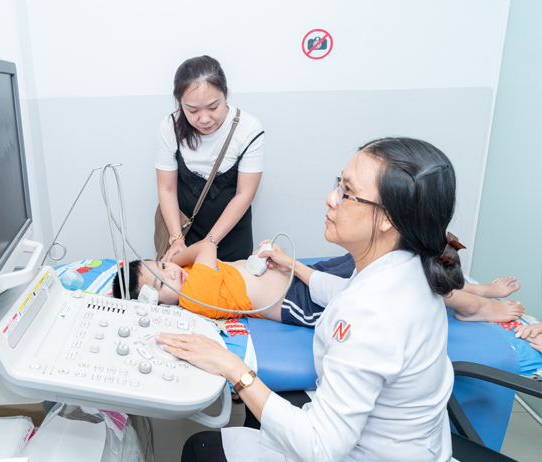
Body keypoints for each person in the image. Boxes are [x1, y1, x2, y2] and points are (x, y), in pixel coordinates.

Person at [155, 137, 465, 462]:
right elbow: (344, 292)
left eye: (347, 192)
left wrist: (232, 366)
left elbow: (320, 448)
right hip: (410, 442)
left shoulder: (370, 313)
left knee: (200, 448)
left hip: (361, 453)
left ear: (389, 219)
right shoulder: (406, 265)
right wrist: (293, 265)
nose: (331, 198)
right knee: (263, 412)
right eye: (338, 184)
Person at [112, 249, 524, 324]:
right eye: (161, 282)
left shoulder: (187, 277)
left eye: (163, 265)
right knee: (388, 286)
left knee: (383, 260)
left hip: (302, 272)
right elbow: (206, 245)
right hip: (299, 300)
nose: (172, 272)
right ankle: (471, 304)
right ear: (153, 302)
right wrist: (181, 253)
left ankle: (472, 289)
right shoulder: (193, 294)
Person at [156, 55, 265, 262]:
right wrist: (177, 238)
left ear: (226, 94)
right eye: (192, 110)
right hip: (183, 234)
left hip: (231, 234)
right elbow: (167, 189)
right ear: (180, 103)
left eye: (213, 107)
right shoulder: (170, 127)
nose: (205, 119)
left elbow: (244, 194)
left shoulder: (249, 129)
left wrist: (209, 242)